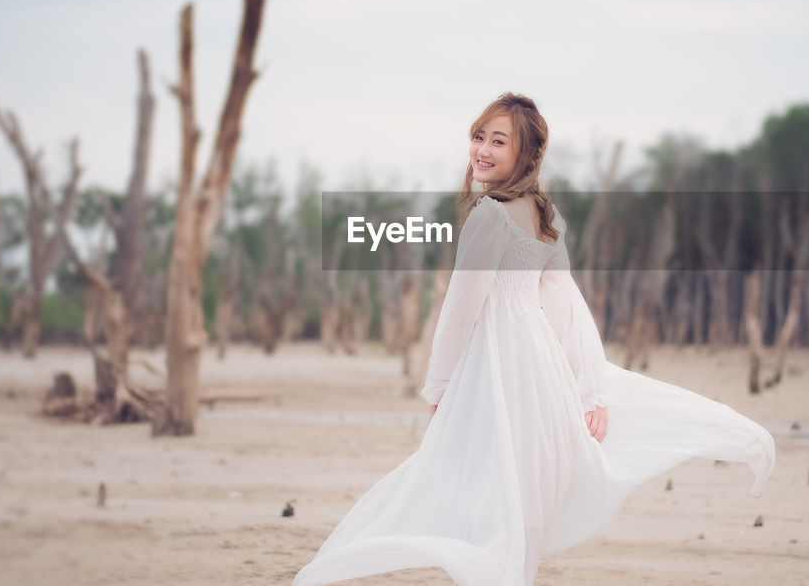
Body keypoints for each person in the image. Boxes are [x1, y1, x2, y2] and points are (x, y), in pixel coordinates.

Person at [292, 93, 775, 586]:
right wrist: (589, 389)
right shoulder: (546, 218)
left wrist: (439, 386)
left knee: (476, 489)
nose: (482, 149)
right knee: (517, 492)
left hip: (496, 365)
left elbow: (463, 308)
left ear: (527, 155)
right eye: (478, 137)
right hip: (538, 362)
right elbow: (567, 310)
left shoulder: (490, 216)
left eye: (497, 141)